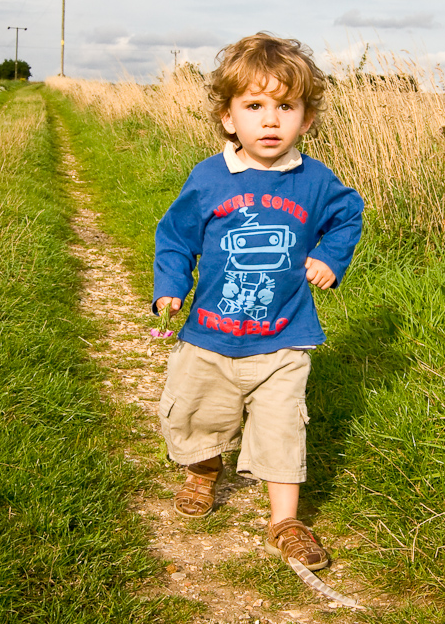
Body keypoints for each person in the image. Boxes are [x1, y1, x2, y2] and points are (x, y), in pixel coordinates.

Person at [153, 32, 363, 570]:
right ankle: (203, 471)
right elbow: (175, 236)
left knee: (281, 424)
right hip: (209, 333)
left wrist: (329, 258)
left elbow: (348, 214)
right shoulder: (208, 178)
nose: (270, 121)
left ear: (307, 120)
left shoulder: (315, 181)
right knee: (201, 412)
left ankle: (285, 520)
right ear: (228, 118)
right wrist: (171, 285)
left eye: (285, 107)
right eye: (254, 106)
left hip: (284, 336)